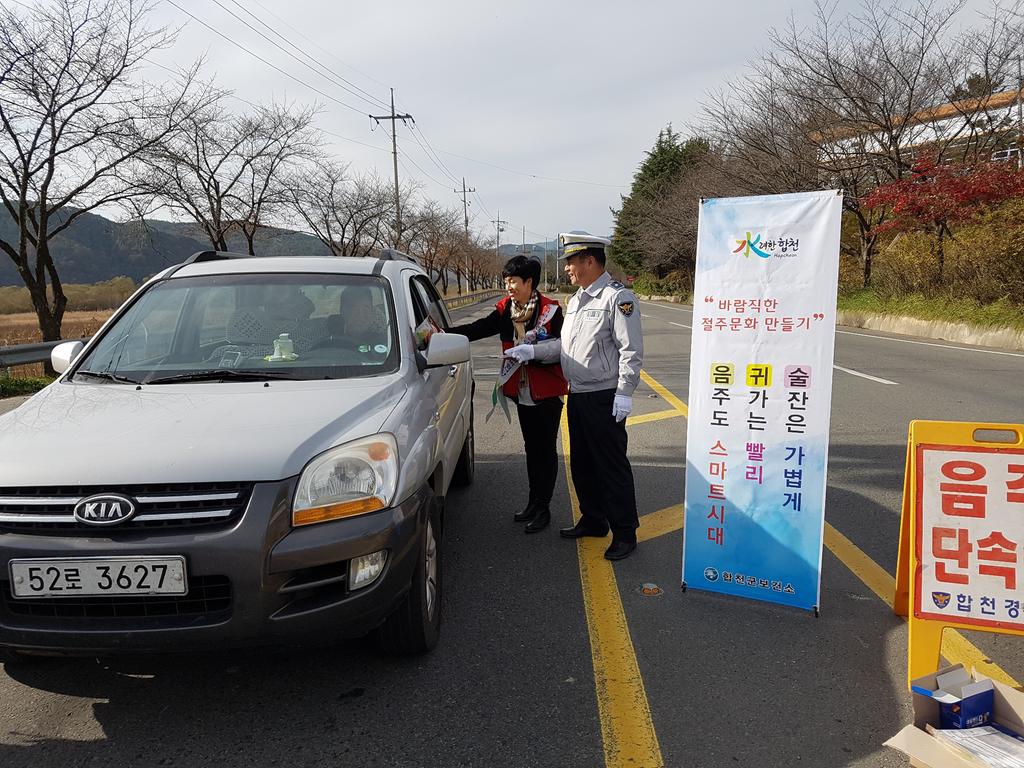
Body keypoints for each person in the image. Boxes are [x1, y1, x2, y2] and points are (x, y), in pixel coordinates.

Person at [506, 233, 643, 560]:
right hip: (578, 393)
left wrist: (624, 392)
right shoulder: (578, 299)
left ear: (589, 261)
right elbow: (566, 347)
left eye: (570, 262)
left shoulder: (617, 298)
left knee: (610, 466)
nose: (566, 268)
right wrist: (533, 351)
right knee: (582, 463)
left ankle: (625, 532)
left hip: (604, 395)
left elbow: (631, 351)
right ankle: (593, 519)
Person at [449, 254, 568, 533]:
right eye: (506, 281)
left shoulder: (551, 311)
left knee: (545, 451)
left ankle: (543, 507)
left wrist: (533, 353)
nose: (508, 287)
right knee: (531, 448)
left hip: (547, 392)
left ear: (529, 282)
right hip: (521, 390)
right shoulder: (506, 309)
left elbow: (563, 348)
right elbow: (478, 328)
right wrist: (443, 333)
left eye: (513, 281)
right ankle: (533, 502)